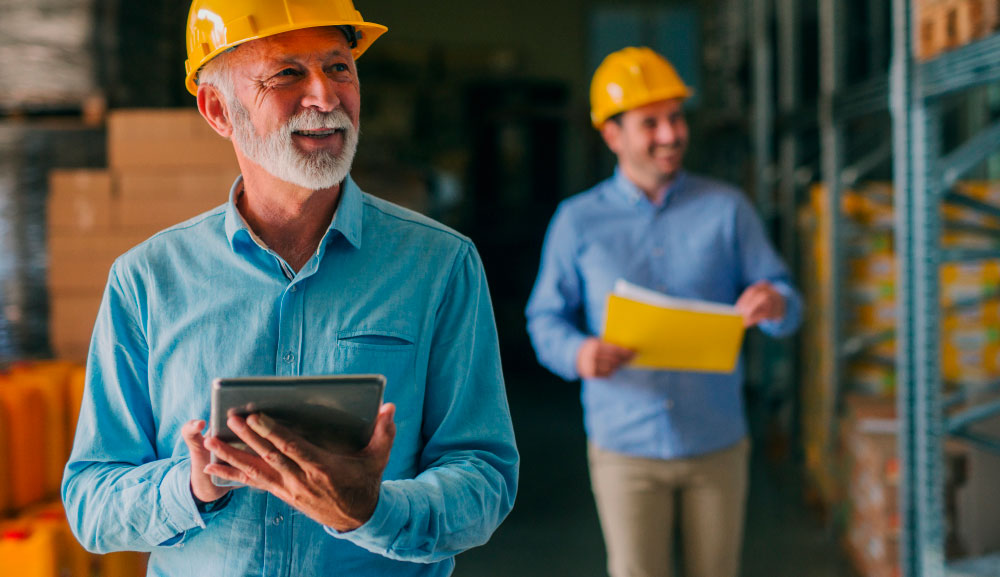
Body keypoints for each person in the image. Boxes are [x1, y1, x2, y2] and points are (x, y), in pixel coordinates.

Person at [61, 1, 518, 575]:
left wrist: (374, 511)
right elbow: (92, 505)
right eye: (287, 73)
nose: (325, 97)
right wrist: (191, 487)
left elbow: (484, 479)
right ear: (218, 110)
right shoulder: (148, 280)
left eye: (339, 67)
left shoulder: (439, 265)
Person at [525, 46, 802, 577]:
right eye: (650, 123)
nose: (671, 135)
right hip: (625, 447)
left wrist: (776, 303)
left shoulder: (727, 209)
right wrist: (579, 353)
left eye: (676, 118)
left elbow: (789, 301)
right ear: (612, 135)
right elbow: (544, 319)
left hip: (716, 441)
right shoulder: (577, 221)